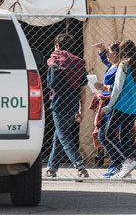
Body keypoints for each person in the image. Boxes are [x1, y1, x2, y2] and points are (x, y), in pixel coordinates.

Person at [45, 33, 89, 180]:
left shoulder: (55, 61)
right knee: (59, 136)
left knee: (64, 137)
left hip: (58, 104)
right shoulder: (79, 64)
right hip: (72, 105)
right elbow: (83, 89)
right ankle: (51, 168)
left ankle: (80, 166)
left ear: (57, 45)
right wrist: (81, 109)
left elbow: (51, 85)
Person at [100, 39, 136, 179]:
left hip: (120, 106)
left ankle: (127, 161)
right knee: (124, 138)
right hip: (133, 108)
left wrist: (109, 106)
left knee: (106, 135)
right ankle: (126, 172)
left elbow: (118, 88)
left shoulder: (124, 65)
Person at [89, 41, 121, 177]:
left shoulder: (120, 68)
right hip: (107, 104)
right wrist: (101, 50)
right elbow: (105, 60)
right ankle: (117, 164)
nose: (106, 54)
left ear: (115, 54)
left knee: (105, 134)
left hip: (112, 104)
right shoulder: (112, 65)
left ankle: (120, 163)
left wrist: (104, 87)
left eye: (108, 51)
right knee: (107, 135)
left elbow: (119, 88)